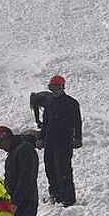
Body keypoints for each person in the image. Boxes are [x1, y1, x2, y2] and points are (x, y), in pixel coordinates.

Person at [29, 74, 82, 206]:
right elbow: (46, 122)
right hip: (50, 141)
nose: (55, 90)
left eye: (57, 87)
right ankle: (55, 194)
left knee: (63, 170)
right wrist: (41, 138)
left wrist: (78, 138)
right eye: (52, 88)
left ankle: (68, 198)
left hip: (64, 142)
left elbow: (77, 122)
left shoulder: (72, 103)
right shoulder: (49, 101)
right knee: (50, 168)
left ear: (63, 87)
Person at [0, 125, 39, 216]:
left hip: (25, 203)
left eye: (0, 144)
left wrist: (15, 203)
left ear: (6, 138)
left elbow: (25, 179)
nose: (1, 148)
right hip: (16, 201)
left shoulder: (24, 150)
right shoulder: (15, 151)